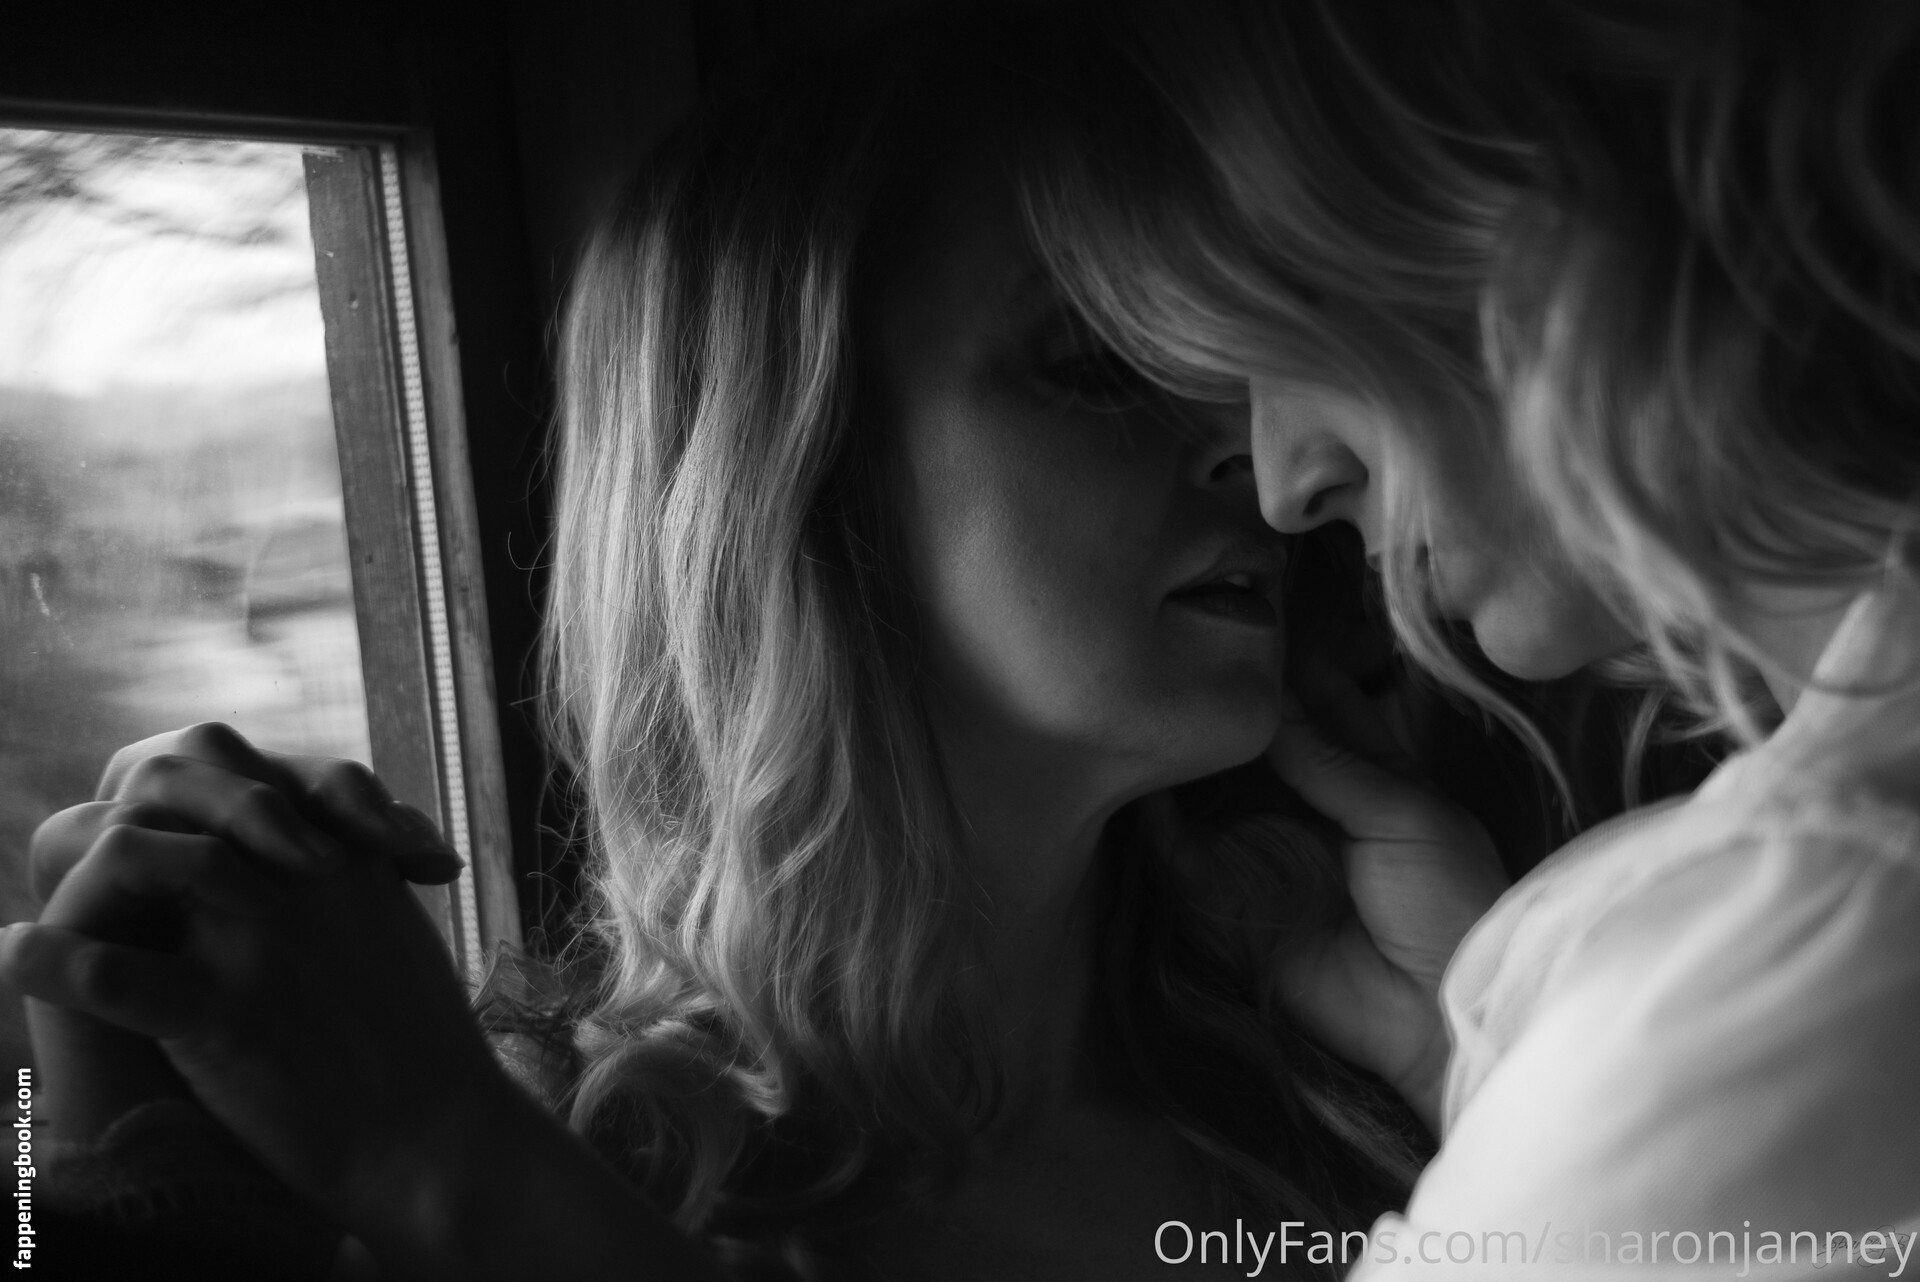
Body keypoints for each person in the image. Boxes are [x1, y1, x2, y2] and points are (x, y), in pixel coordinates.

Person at [0, 9, 1523, 1278]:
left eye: (1238, 359)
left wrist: (1482, 1061)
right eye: (1101, 364)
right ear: (795, 480)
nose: (1255, 449)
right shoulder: (537, 1155)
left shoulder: (1378, 1089)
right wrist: (91, 1184)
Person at [1030, 0, 1920, 1269]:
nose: (1283, 488)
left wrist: (1600, 1069)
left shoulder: (1807, 920)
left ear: (1545, 210)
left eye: (1284, 330)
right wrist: (1491, 1063)